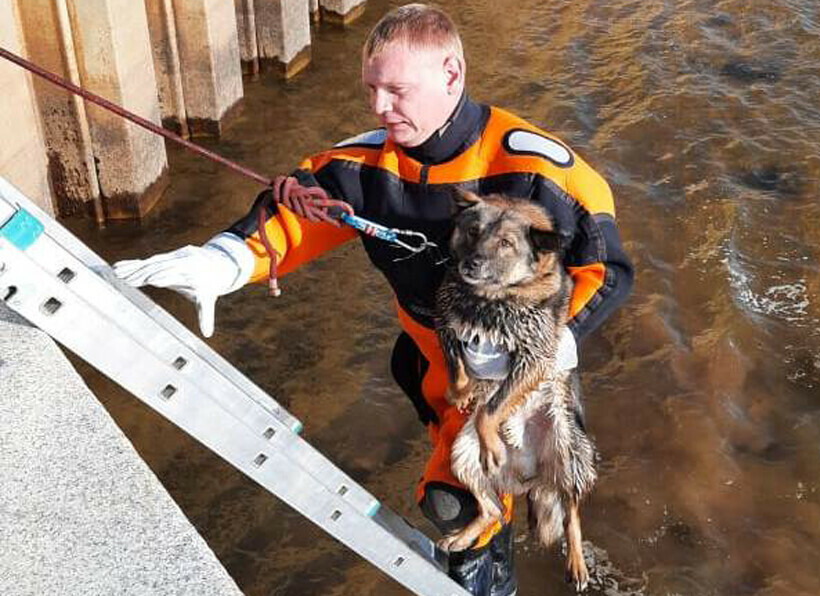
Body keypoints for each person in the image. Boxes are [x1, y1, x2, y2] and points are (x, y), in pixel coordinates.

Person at [114, 4, 634, 595]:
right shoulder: (363, 167)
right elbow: (298, 207)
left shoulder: (538, 169)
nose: (380, 108)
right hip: (440, 363)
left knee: (550, 485)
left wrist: (564, 341)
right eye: (371, 89)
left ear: (451, 74)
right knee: (453, 507)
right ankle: (488, 580)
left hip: (528, 363)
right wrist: (227, 259)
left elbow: (609, 269)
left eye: (397, 90)